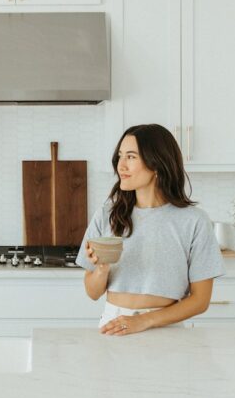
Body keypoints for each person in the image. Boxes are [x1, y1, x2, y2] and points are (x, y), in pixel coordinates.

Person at [75, 123, 225, 336]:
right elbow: (92, 292)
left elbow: (200, 300)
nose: (121, 166)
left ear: (156, 163)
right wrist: (102, 268)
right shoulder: (108, 214)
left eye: (131, 157)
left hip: (166, 328)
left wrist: (144, 321)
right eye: (120, 156)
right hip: (114, 324)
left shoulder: (194, 221)